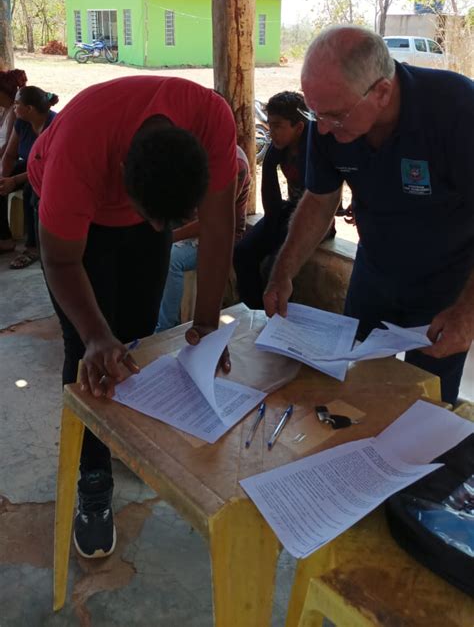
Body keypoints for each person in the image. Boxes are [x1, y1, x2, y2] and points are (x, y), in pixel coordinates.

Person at [28, 75, 237, 559]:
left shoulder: (210, 119)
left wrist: (206, 324)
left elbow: (218, 223)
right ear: (123, 172)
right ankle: (94, 480)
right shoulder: (80, 148)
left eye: (170, 220)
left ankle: (125, 441)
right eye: (155, 218)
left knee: (139, 339)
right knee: (90, 352)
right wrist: (98, 335)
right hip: (79, 216)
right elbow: (60, 260)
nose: (162, 230)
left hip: (145, 193)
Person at [264, 25, 474, 406]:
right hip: (373, 273)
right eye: (315, 115)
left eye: (335, 116)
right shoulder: (325, 120)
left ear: (381, 91)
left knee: (427, 403)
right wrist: (283, 272)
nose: (323, 128)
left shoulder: (456, 108)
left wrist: (468, 313)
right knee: (350, 387)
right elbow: (319, 199)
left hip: (446, 284)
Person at [234, 91, 335, 309]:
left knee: (276, 266)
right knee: (243, 252)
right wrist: (271, 224)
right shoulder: (277, 150)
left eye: (278, 126)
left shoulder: (315, 149)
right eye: (270, 124)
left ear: (298, 127)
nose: (272, 132)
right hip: (288, 211)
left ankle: (279, 319)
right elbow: (271, 196)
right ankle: (254, 312)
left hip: (316, 218)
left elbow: (321, 204)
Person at [157, 143, 251, 331]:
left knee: (172, 258)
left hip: (222, 236)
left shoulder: (234, 164)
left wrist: (170, 237)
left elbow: (212, 222)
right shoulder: (197, 155)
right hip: (195, 226)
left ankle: (165, 327)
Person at [0, 85, 57, 267]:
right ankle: (4, 239)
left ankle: (33, 247)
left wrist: (14, 180)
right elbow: (9, 155)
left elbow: (45, 165)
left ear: (29, 109)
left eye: (17, 104)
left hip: (52, 170)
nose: (14, 107)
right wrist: (3, 178)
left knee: (29, 191)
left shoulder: (53, 125)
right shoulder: (22, 122)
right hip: (30, 164)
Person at [0, 69, 28, 252]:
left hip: (18, 162)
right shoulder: (5, 111)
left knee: (0, 186)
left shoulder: (14, 113)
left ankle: (5, 239)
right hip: (5, 160)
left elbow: (8, 149)